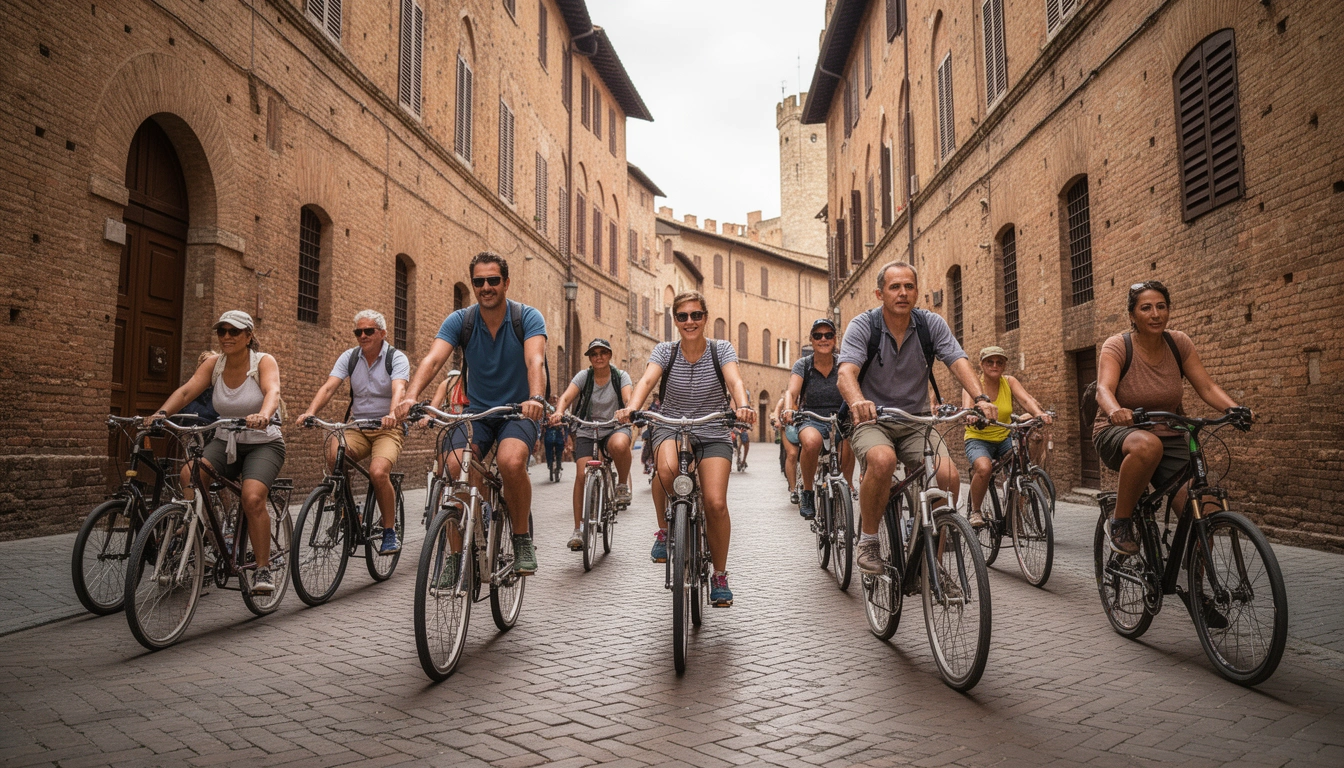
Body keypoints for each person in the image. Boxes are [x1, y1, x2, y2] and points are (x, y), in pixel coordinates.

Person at [837, 261, 998, 575]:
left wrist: (979, 398)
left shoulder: (929, 325)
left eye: (909, 287)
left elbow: (957, 359)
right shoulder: (863, 326)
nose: (902, 293)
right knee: (881, 461)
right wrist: (858, 401)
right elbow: (846, 373)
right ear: (880, 293)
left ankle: (931, 563)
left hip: (916, 421)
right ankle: (869, 540)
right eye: (895, 287)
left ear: (917, 292)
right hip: (874, 420)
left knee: (948, 477)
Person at [395, 252, 548, 574]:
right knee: (453, 468)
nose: (486, 287)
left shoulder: (527, 317)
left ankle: (521, 537)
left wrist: (535, 397)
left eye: (493, 280)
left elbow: (535, 360)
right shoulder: (461, 320)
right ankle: (456, 555)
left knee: (510, 461)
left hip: (517, 412)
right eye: (479, 282)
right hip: (476, 412)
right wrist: (410, 397)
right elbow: (434, 360)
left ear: (506, 282)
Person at [617, 291, 755, 607]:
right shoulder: (665, 351)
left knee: (715, 502)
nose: (689, 321)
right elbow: (647, 380)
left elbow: (734, 380)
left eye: (695, 315)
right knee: (665, 472)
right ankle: (666, 532)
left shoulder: (721, 350)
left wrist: (743, 405)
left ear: (705, 318)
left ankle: (719, 575)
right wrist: (633, 407)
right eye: (682, 316)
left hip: (712, 428)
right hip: (671, 426)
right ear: (675, 320)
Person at [1093, 280, 1247, 555]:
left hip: (1170, 434)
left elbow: (1207, 386)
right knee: (1148, 445)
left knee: (1204, 513)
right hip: (1120, 433)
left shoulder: (1179, 343)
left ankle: (1197, 590)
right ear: (1132, 315)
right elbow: (1103, 389)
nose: (1155, 314)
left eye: (1161, 307)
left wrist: (1233, 410)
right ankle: (1121, 521)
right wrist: (1115, 410)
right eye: (1146, 308)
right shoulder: (1117, 345)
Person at [146, 310, 285, 593]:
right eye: (221, 331)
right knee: (189, 474)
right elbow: (186, 393)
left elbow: (273, 391)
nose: (226, 337)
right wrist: (160, 413)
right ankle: (199, 536)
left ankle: (262, 569)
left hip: (263, 442)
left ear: (248, 336)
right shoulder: (214, 364)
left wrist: (264, 414)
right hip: (225, 442)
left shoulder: (262, 361)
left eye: (233, 331)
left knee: (252, 497)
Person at [296, 309, 410, 554]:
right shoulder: (349, 357)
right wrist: (310, 412)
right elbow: (329, 387)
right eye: (358, 332)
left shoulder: (396, 358)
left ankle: (389, 531)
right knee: (335, 455)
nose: (363, 335)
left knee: (378, 473)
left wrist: (392, 415)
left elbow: (399, 388)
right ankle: (348, 512)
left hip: (387, 429)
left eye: (368, 331)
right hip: (357, 427)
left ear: (382, 333)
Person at [550, 338, 635, 550]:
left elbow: (628, 397)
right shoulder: (584, 377)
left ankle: (622, 484)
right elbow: (567, 396)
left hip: (614, 426)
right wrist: (559, 411)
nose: (599, 356)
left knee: (619, 446)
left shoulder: (620, 376)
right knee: (581, 474)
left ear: (610, 355)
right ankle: (578, 530)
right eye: (594, 353)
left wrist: (628, 410)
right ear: (589, 357)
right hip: (587, 428)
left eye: (603, 352)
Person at [960, 346, 1054, 528]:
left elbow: (1026, 400)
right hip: (978, 438)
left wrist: (1038, 413)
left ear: (1004, 366)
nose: (994, 365)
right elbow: (967, 408)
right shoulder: (973, 385)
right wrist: (970, 415)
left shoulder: (1009, 382)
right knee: (984, 469)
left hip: (1004, 438)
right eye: (990, 362)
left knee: (1022, 467)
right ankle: (976, 511)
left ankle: (1015, 514)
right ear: (981, 365)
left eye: (999, 362)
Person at [783, 318, 855, 520]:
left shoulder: (844, 363)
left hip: (840, 417)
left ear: (835, 339)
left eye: (828, 335)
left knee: (851, 438)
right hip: (811, 417)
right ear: (811, 340)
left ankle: (847, 486)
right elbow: (792, 391)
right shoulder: (803, 365)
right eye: (818, 336)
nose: (823, 339)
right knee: (811, 442)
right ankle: (807, 492)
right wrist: (788, 409)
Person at [772, 395, 801, 504]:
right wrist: (776, 420)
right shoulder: (784, 400)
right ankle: (793, 490)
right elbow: (776, 413)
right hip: (789, 428)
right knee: (792, 454)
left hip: (806, 426)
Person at [542, 395, 568, 481]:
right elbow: (542, 420)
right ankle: (550, 464)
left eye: (556, 398)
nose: (555, 400)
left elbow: (566, 420)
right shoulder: (546, 409)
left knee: (559, 449)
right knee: (548, 449)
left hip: (558, 433)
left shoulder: (561, 409)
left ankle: (559, 464)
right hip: (549, 433)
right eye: (553, 398)